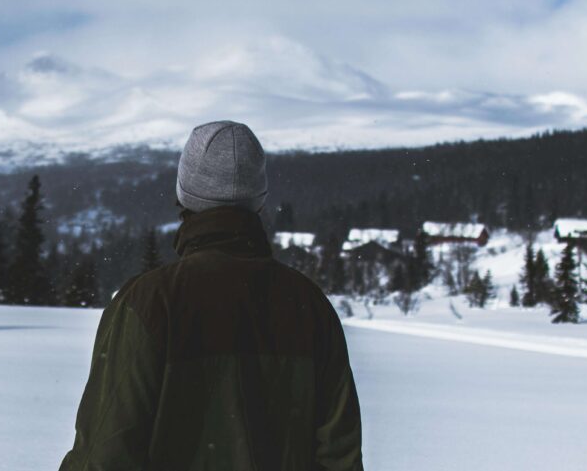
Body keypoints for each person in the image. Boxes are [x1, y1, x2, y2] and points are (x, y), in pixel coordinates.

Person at [60, 121, 363, 470]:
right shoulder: (309, 306)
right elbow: (340, 457)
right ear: (259, 200)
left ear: (184, 194)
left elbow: (105, 451)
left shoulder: (150, 302)